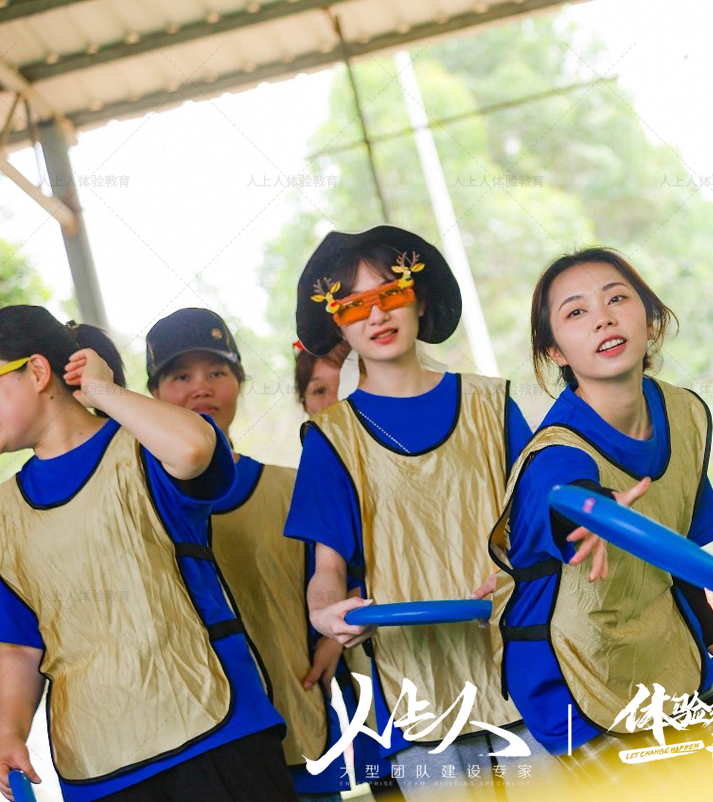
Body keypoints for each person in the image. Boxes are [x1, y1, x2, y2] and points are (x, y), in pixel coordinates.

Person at [285, 225, 543, 798]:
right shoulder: (329, 439)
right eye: (355, 305)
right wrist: (325, 613)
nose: (376, 315)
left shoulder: (493, 403)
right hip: (414, 696)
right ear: (338, 325)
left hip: (523, 662)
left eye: (390, 294)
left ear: (419, 300)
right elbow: (327, 568)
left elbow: (536, 528)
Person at [0, 306, 294, 802]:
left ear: (36, 371)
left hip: (216, 734)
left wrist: (102, 391)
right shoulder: (5, 512)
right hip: (98, 766)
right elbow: (17, 647)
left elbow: (195, 449)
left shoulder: (145, 448)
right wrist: (9, 729)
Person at [488, 247, 713, 776]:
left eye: (616, 299)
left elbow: (677, 549)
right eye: (576, 312)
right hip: (573, 679)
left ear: (650, 320)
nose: (603, 319)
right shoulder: (555, 453)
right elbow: (565, 497)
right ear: (556, 351)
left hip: (662, 650)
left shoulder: (684, 413)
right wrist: (598, 513)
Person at [146, 308, 350, 802]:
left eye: (217, 371)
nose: (202, 388)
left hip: (301, 727)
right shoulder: (140, 505)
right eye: (180, 376)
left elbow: (349, 570)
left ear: (239, 383)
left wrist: (336, 640)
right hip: (202, 749)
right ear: (152, 396)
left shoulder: (292, 487)